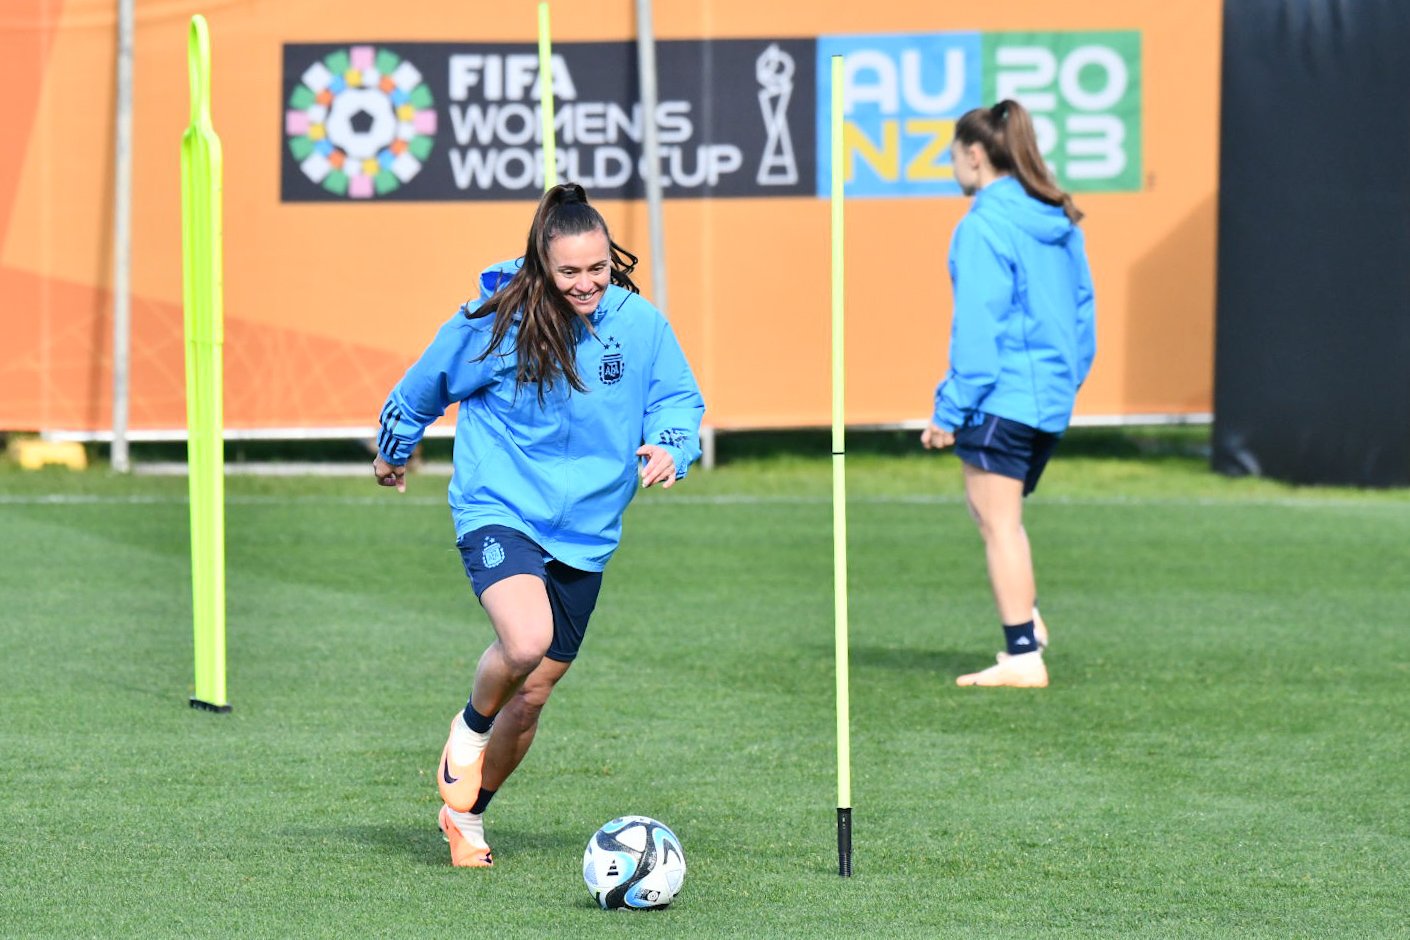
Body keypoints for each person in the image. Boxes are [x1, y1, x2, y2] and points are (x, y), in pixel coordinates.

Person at [372, 183, 705, 866]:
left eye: (598, 269)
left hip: (588, 530)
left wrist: (673, 444)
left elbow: (676, 399)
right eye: (570, 272)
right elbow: (423, 385)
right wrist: (394, 448)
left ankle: (466, 817)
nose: (586, 284)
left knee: (533, 696)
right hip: (500, 506)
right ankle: (467, 730)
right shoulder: (496, 321)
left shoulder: (639, 326)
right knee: (526, 641)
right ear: (542, 265)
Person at [921, 100, 1096, 689]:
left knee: (999, 524)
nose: (952, 166)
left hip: (1002, 396)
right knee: (992, 513)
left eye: (953, 155)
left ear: (974, 155)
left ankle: (1023, 653)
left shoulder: (982, 225)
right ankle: (1030, 622)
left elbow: (978, 330)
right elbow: (1083, 315)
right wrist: (1066, 382)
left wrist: (949, 410)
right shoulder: (1056, 216)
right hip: (1048, 400)